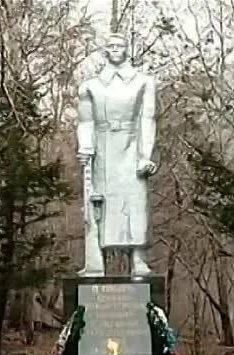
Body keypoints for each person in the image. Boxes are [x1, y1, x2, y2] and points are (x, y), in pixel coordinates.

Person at [76, 32, 158, 277]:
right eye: (110, 45)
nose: (115, 49)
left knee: (135, 203)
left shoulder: (143, 82)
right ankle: (95, 262)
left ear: (126, 49)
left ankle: (139, 260)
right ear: (104, 51)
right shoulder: (90, 86)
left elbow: (148, 118)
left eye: (119, 45)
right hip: (101, 150)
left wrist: (145, 155)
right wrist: (85, 147)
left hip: (131, 147)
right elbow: (85, 121)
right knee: (99, 207)